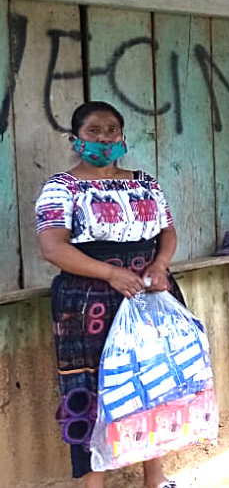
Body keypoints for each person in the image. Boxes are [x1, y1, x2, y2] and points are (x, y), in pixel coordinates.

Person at [35, 101, 181, 488]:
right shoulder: (61, 187)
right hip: (87, 303)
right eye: (93, 131)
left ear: (122, 136)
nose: (103, 138)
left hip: (150, 294)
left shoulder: (145, 183)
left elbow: (167, 231)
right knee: (91, 389)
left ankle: (155, 478)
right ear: (75, 139)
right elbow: (53, 248)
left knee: (152, 382)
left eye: (111, 130)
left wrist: (160, 264)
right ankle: (92, 483)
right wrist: (110, 273)